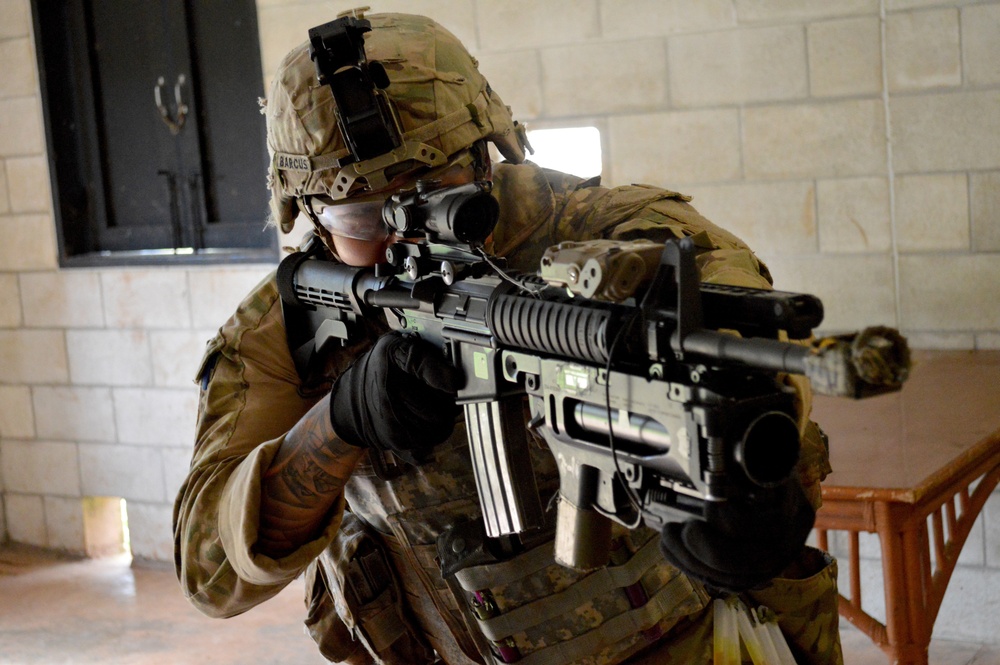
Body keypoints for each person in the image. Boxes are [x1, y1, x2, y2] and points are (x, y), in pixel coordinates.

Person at [173, 10, 843, 664]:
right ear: (308, 214)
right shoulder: (280, 329)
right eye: (365, 217)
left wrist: (747, 484)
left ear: (488, 160)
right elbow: (209, 572)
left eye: (438, 193)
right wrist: (339, 422)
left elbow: (736, 330)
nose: (410, 237)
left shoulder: (610, 231)